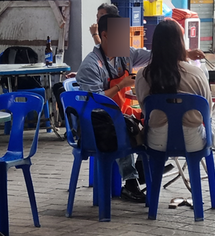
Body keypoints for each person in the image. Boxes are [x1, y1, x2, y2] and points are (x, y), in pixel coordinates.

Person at [72, 14, 205, 202]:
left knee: (150, 125)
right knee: (122, 128)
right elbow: (93, 100)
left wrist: (186, 53)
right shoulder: (91, 65)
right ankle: (131, 182)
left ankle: (144, 168)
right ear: (105, 35)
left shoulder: (126, 55)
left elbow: (157, 55)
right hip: (95, 123)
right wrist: (121, 85)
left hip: (119, 114)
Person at [134, 20, 215, 153]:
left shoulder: (142, 75)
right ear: (180, 43)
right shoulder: (196, 73)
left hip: (156, 141)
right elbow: (207, 112)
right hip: (192, 141)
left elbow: (144, 110)